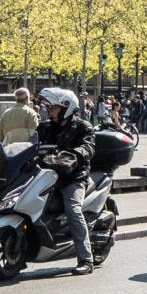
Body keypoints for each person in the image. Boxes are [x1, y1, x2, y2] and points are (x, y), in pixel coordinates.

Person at [33, 84, 98, 274]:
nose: (49, 111)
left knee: (73, 209)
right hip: (46, 175)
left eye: (53, 107)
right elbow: (31, 144)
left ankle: (86, 260)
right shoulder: (45, 127)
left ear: (66, 108)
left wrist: (72, 156)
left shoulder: (83, 127)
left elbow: (88, 148)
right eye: (49, 107)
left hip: (72, 177)